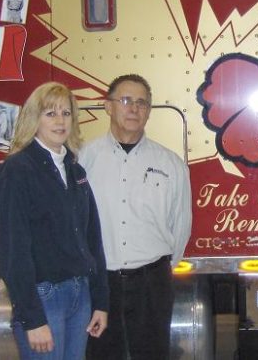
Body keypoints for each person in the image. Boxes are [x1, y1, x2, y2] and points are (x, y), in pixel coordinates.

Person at [0, 82, 109, 359]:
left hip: (80, 295)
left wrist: (100, 301)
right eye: (50, 113)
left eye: (66, 113)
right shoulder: (17, 171)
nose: (60, 121)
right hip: (45, 297)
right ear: (34, 119)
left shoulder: (75, 170)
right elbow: (12, 251)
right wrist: (32, 318)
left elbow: (92, 239)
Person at [81, 74, 192, 360]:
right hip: (100, 283)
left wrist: (161, 265)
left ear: (149, 111)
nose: (134, 109)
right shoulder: (83, 160)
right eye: (126, 100)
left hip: (151, 282)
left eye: (142, 103)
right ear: (108, 107)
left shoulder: (170, 164)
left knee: (153, 353)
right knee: (101, 353)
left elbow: (180, 223)